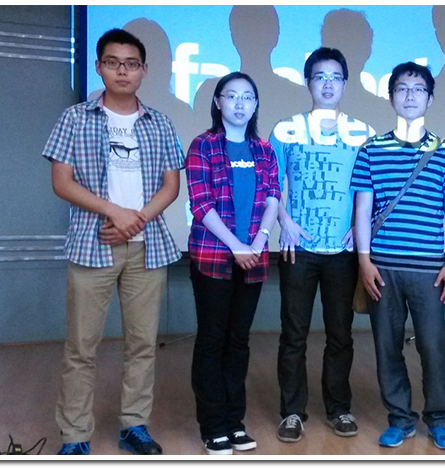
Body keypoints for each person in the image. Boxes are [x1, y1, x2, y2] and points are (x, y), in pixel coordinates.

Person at [43, 28, 183, 455]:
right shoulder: (75, 118)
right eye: (113, 62)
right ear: (99, 67)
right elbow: (61, 182)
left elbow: (171, 186)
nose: (122, 71)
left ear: (144, 71)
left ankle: (134, 426)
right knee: (81, 347)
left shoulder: (160, 122)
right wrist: (114, 212)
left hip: (147, 246)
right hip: (92, 243)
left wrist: (133, 221)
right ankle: (75, 435)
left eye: (131, 64)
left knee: (142, 345)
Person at [351, 62, 445, 450]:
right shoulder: (372, 149)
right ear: (391, 97)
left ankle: (440, 419)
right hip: (382, 267)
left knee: (434, 347)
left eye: (418, 89)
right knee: (387, 347)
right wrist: (364, 260)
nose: (410, 96)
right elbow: (362, 209)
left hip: (429, 269)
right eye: (402, 89)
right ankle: (400, 419)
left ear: (430, 99)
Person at [269, 47, 374, 443]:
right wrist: (285, 222)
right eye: (320, 77)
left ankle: (339, 408)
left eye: (335, 77)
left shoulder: (362, 132)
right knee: (293, 334)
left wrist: (360, 227)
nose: (328, 84)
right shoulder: (286, 129)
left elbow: (372, 188)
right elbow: (270, 184)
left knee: (340, 334)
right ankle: (292, 412)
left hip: (343, 252)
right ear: (307, 82)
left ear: (345, 83)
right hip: (298, 247)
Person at [186, 72, 280, 455]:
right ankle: (213, 426)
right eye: (232, 96)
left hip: (253, 258)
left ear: (256, 104)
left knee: (238, 342)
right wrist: (236, 245)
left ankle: (234, 423)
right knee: (212, 339)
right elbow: (200, 203)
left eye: (247, 97)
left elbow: (273, 197)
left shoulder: (264, 150)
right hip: (213, 257)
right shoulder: (203, 145)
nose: (240, 104)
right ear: (218, 102)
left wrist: (257, 242)